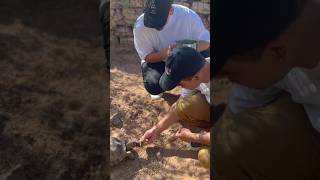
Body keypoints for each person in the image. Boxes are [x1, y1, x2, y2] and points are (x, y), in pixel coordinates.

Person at [212, 0, 320, 179]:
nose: (230, 81)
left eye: (229, 74)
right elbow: (239, 108)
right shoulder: (279, 40)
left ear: (277, 52)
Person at [141, 47, 211, 169]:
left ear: (196, 77)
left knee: (206, 157)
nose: (178, 87)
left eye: (180, 84)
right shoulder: (201, 68)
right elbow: (179, 106)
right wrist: (155, 130)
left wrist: (193, 137)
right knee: (186, 104)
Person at [133, 0, 210, 99]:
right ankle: (183, 83)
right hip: (160, 60)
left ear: (171, 11)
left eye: (159, 22)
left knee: (206, 60)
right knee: (153, 85)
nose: (155, 26)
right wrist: (166, 54)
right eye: (151, 20)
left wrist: (185, 47)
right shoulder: (140, 26)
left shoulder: (188, 16)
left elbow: (206, 42)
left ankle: (195, 85)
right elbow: (147, 57)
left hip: (185, 58)